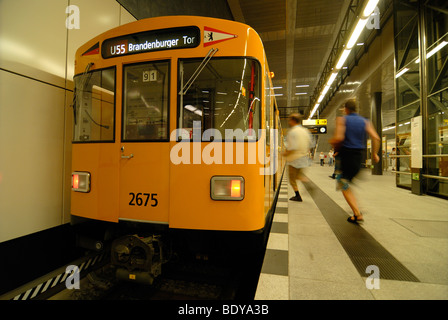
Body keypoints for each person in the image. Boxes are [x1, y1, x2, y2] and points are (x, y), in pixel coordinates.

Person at [329, 99, 380, 224]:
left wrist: (335, 147)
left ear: (346, 109)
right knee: (347, 182)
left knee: (343, 184)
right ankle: (357, 211)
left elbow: (339, 138)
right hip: (359, 157)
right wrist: (374, 153)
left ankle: (357, 213)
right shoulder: (365, 121)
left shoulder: (342, 120)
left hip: (347, 156)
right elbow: (376, 137)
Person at [283, 113, 312, 202]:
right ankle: (307, 183)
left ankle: (297, 196)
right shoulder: (305, 131)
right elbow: (310, 145)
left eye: (289, 120)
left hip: (294, 159)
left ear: (292, 121)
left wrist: (283, 154)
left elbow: (292, 147)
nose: (289, 122)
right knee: (299, 175)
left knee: (292, 179)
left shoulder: (292, 132)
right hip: (304, 157)